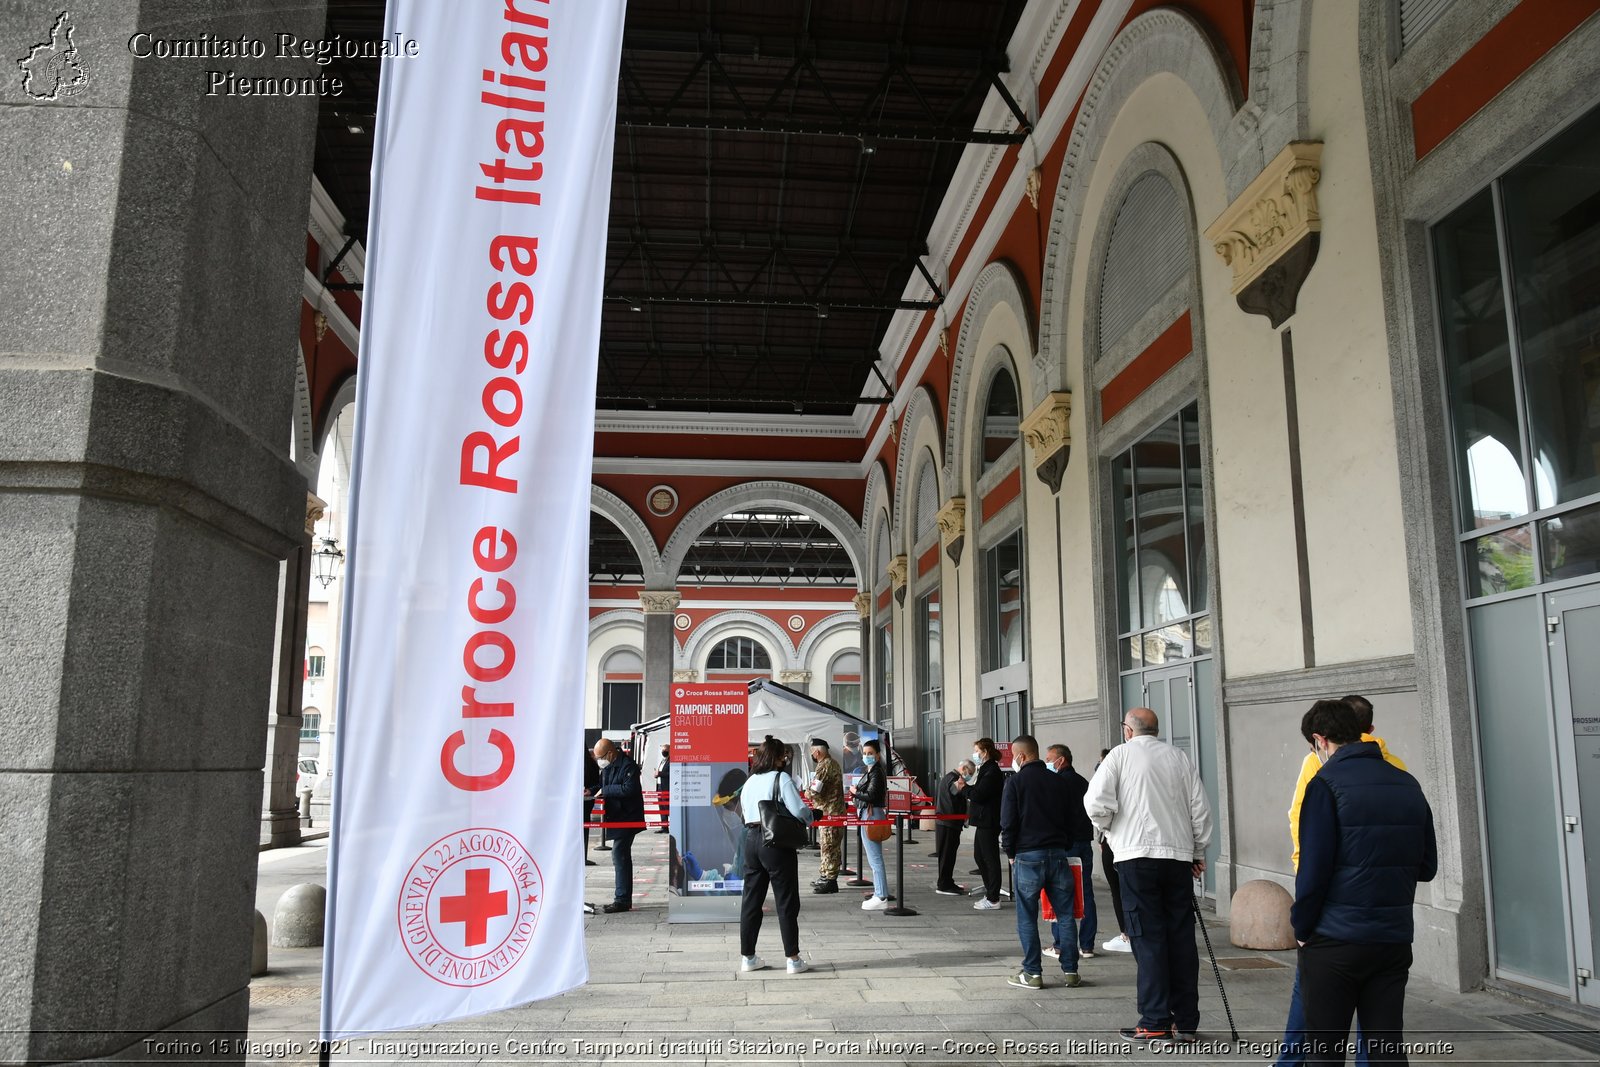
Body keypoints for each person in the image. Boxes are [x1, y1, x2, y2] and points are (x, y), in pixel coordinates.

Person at [1293, 700, 1436, 1066]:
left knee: (1324, 1052)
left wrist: (1302, 927)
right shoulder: (1407, 782)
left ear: (1320, 740)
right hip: (1392, 937)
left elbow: (1313, 871)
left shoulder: (1324, 785)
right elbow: (1428, 866)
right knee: (1386, 1049)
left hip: (1335, 939)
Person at [1085, 707, 1212, 1045]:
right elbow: (1199, 808)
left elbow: (1096, 803)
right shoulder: (1178, 757)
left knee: (1149, 938)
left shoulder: (1119, 756)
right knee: (1181, 939)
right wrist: (1198, 852)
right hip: (1176, 857)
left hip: (1136, 858)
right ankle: (1185, 1021)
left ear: (1128, 730)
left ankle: (1155, 1021)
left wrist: (1111, 831)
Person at [1000, 735, 1086, 990]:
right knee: (1066, 916)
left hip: (1028, 857)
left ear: (1021, 756)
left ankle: (1032, 973)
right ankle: (1071, 970)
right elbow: (1072, 818)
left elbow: (1008, 823)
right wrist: (1064, 844)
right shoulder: (1059, 781)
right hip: (1058, 854)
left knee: (1027, 917)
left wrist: (1010, 852)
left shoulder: (1015, 783)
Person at [739, 735, 813, 974]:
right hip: (775, 843)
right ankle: (793, 958)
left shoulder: (750, 780)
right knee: (786, 900)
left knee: (751, 900)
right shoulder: (781, 778)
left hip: (750, 841)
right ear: (780, 757)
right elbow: (799, 809)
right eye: (785, 756)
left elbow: (742, 810)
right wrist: (812, 816)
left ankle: (748, 957)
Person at [1042, 744, 1097, 962]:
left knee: (1061, 893)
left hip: (1066, 845)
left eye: (1049, 758)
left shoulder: (1056, 783)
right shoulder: (1083, 781)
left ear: (1061, 760)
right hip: (1084, 842)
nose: (1047, 762)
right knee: (1086, 893)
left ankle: (1060, 945)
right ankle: (1087, 945)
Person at [591, 738, 644, 913]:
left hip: (628, 817)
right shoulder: (608, 767)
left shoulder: (628, 766)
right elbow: (601, 786)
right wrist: (591, 791)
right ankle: (623, 898)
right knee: (621, 854)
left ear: (611, 753)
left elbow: (629, 789)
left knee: (619, 853)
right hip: (616, 816)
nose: (599, 761)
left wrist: (605, 791)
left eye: (601, 757)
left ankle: (622, 900)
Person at [1095, 747, 1130, 953]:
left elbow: (1096, 808)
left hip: (1115, 840)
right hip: (1135, 843)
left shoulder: (1108, 781)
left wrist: (1103, 832)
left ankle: (1127, 934)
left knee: (1118, 889)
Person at [852, 738, 891, 910]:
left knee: (875, 859)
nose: (867, 756)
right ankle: (879, 892)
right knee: (873, 857)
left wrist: (856, 792)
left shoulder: (876, 772)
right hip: (866, 814)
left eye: (870, 754)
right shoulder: (870, 771)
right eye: (865, 753)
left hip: (872, 814)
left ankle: (881, 895)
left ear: (877, 755)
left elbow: (872, 795)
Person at [966, 737, 1005, 910]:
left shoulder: (992, 771)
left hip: (989, 820)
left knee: (989, 858)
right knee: (979, 856)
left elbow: (979, 794)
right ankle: (990, 891)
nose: (975, 754)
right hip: (983, 820)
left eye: (977, 751)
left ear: (985, 752)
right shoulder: (986, 769)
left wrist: (964, 788)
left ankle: (993, 897)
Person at [805, 738, 846, 894]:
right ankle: (825, 876)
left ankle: (830, 880)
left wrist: (807, 792)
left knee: (829, 847)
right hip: (831, 812)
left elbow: (815, 790)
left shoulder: (825, 766)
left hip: (830, 813)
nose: (812, 755)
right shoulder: (831, 763)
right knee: (828, 846)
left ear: (818, 751)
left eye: (812, 752)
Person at [934, 759, 973, 895]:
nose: (970, 776)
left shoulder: (949, 777)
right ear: (963, 769)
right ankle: (944, 884)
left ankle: (947, 881)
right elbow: (954, 790)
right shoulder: (953, 779)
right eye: (970, 773)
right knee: (947, 855)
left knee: (948, 855)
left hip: (949, 823)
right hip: (948, 823)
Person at [583, 748, 601, 867]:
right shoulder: (591, 764)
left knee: (584, 827)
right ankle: (583, 856)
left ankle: (582, 856)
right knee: (584, 828)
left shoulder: (591, 764)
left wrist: (589, 790)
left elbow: (598, 783)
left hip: (585, 801)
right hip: (586, 801)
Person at [654, 742, 671, 833]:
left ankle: (673, 825)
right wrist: (656, 774)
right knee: (661, 808)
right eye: (662, 750)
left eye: (665, 750)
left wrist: (659, 774)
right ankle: (664, 827)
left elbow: (672, 773)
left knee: (667, 807)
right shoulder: (662, 761)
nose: (663, 752)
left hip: (666, 787)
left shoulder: (671, 761)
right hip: (659, 786)